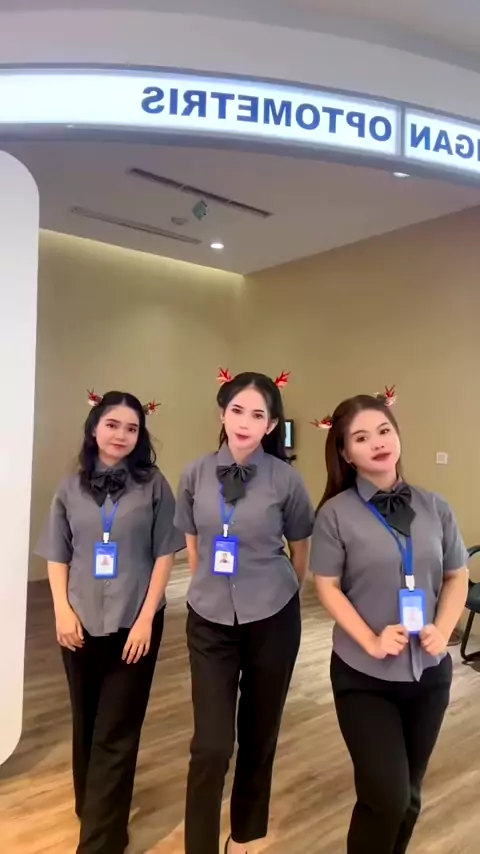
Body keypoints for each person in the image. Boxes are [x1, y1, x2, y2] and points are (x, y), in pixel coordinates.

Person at [309, 392, 469, 854]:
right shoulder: (335, 515)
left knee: (410, 796)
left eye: (384, 431)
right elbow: (327, 587)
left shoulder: (435, 506)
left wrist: (444, 628)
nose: (377, 442)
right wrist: (371, 640)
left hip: (429, 675)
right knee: (386, 796)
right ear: (346, 453)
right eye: (361, 438)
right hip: (365, 677)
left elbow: (457, 575)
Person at [36, 390, 185, 854]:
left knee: (117, 728)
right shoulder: (70, 487)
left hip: (133, 623)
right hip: (79, 621)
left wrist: (146, 620)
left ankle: (101, 842)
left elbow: (164, 554)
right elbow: (57, 555)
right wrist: (61, 610)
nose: (121, 435)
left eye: (132, 428)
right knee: (86, 721)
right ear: (94, 428)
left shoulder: (154, 484)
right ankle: (94, 810)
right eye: (113, 424)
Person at [174, 370, 314, 854]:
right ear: (222, 413)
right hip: (209, 619)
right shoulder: (195, 473)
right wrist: (207, 585)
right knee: (211, 745)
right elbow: (193, 543)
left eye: (258, 415)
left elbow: (300, 547)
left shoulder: (286, 479)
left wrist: (284, 593)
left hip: (273, 617)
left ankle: (245, 838)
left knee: (259, 734)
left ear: (271, 425)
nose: (245, 422)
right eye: (237, 410)